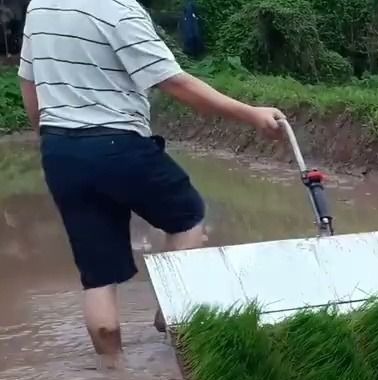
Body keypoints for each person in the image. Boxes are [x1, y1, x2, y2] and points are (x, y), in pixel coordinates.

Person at [18, 0, 286, 359]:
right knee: (188, 216)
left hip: (60, 148)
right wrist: (251, 114)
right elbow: (174, 82)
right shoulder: (118, 9)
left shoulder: (41, 5)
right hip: (118, 143)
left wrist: (53, 141)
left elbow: (29, 83)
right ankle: (168, 309)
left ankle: (114, 379)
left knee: (98, 275)